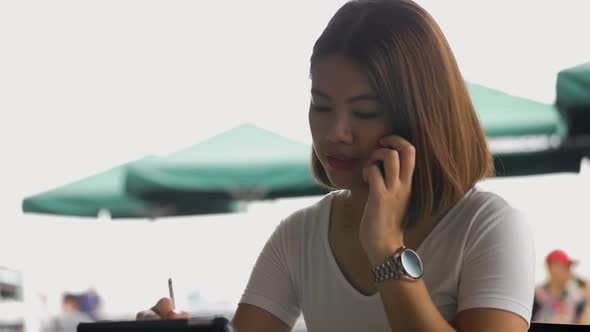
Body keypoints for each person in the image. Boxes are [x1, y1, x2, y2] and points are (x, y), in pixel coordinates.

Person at [137, 0, 535, 330]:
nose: (335, 132)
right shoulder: (300, 234)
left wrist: (386, 251)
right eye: (321, 106)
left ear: (419, 118)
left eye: (363, 113)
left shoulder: (488, 227)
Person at [532, 249, 587, 323]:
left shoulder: (577, 298)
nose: (569, 271)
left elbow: (583, 322)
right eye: (566, 266)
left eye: (569, 267)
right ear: (551, 267)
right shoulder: (535, 295)